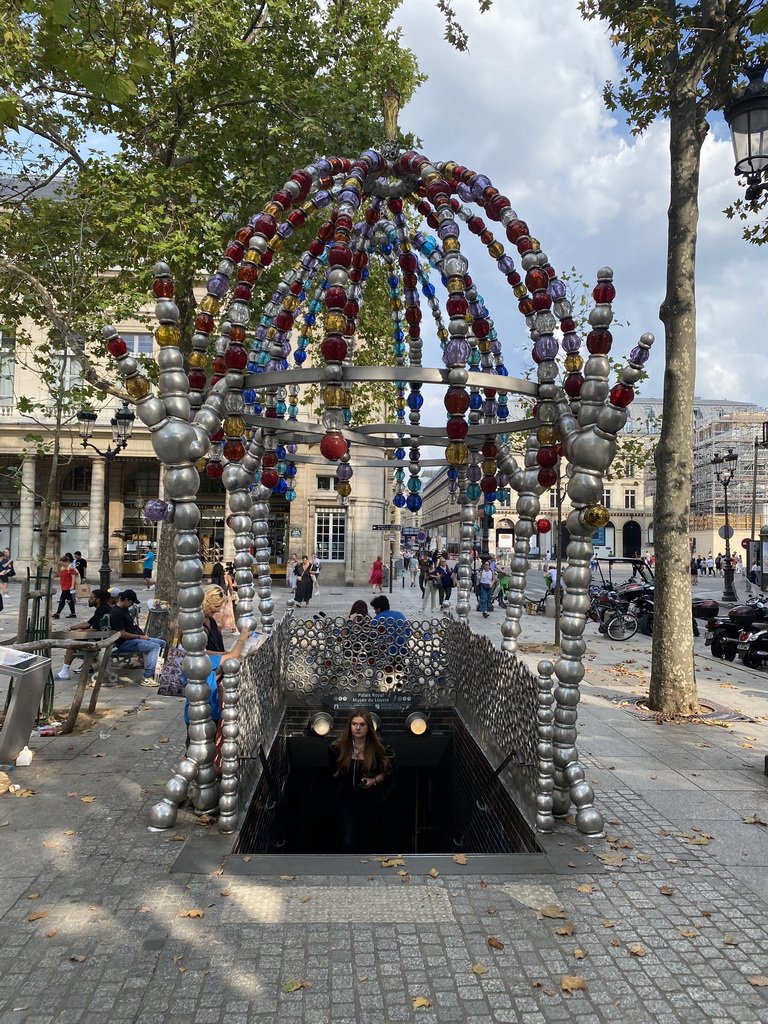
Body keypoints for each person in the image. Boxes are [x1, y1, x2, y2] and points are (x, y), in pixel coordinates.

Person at [328, 709, 396, 853]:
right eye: (354, 724)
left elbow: (389, 769)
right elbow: (333, 770)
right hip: (347, 798)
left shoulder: (379, 747)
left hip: (370, 798)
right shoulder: (339, 747)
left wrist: (374, 781)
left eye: (362, 724)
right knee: (348, 838)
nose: (357, 728)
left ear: (368, 727)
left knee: (369, 837)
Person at [109, 589, 165, 685]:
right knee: (154, 647)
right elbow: (121, 633)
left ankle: (161, 669)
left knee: (162, 643)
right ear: (126, 600)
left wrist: (141, 636)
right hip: (124, 642)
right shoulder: (116, 613)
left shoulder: (124, 609)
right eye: (131, 602)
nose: (132, 604)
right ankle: (147, 677)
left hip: (133, 638)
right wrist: (139, 637)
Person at [56, 590, 112, 680]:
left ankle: (64, 672)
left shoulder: (101, 610)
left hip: (101, 639)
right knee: (78, 634)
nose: (89, 599)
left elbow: (95, 629)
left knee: (71, 644)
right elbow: (87, 623)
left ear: (97, 600)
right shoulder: (103, 608)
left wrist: (78, 634)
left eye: (91, 598)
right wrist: (71, 628)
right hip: (103, 636)